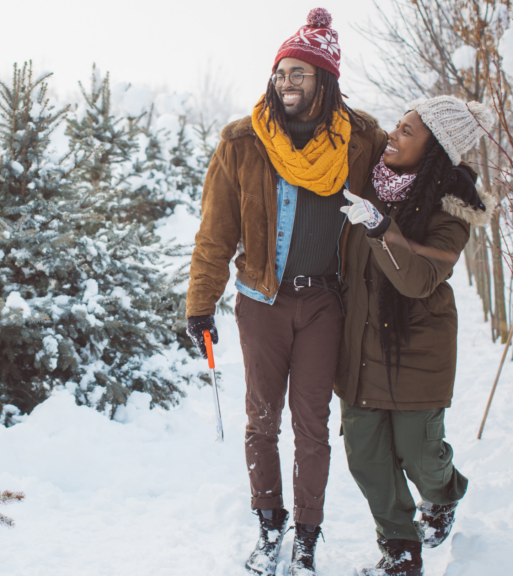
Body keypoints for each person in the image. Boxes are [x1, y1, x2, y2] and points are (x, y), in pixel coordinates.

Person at [185, 8, 387, 576]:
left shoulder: (360, 141)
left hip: (325, 303)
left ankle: (307, 537)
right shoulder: (243, 142)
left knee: (312, 426)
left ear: (325, 79)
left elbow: (404, 177)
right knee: (261, 420)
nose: (286, 83)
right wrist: (200, 304)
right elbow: (215, 232)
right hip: (262, 302)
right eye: (280, 72)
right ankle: (269, 526)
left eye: (299, 73)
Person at [335, 95, 495, 576]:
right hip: (361, 347)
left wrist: (381, 228)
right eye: (397, 125)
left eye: (407, 131)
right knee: (366, 457)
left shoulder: (452, 208)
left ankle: (443, 494)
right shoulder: (368, 184)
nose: (393, 135)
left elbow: (420, 279)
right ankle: (400, 549)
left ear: (434, 148)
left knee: (419, 454)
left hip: (417, 349)